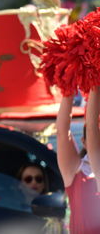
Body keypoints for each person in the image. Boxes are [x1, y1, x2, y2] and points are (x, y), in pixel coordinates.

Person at [57, 94, 100, 233]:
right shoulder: (76, 171)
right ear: (84, 142)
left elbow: (92, 128)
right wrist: (67, 88)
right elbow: (63, 132)